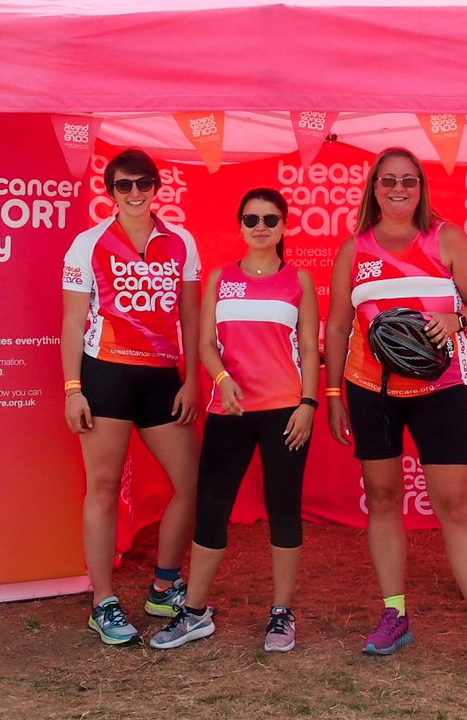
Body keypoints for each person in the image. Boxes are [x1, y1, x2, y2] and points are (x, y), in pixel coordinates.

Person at [324, 146, 467, 680]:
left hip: (441, 390)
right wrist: (334, 394)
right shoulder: (352, 249)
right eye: (388, 181)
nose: (398, 189)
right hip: (370, 391)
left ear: (421, 186)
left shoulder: (446, 238)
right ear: (374, 188)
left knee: (455, 507)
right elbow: (338, 326)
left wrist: (456, 319)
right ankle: (395, 614)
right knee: (383, 500)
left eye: (408, 181)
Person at [151, 187, 320, 652]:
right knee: (211, 509)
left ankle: (282, 613)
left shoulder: (299, 281)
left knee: (283, 509)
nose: (261, 227)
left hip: (286, 411)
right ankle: (196, 612)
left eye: (270, 219)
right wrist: (222, 379)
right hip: (230, 410)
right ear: (240, 225)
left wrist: (308, 404)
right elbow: (204, 344)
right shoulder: (220, 278)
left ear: (284, 225)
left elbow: (309, 348)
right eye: (251, 219)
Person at [61, 148, 201, 646]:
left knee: (192, 483)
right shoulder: (87, 243)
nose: (136, 193)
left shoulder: (182, 242)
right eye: (125, 185)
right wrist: (73, 388)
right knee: (101, 489)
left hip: (163, 377)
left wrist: (192, 380)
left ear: (157, 186)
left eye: (144, 183)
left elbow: (191, 319)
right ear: (110, 191)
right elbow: (74, 322)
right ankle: (103, 601)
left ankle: (164, 586)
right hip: (106, 377)